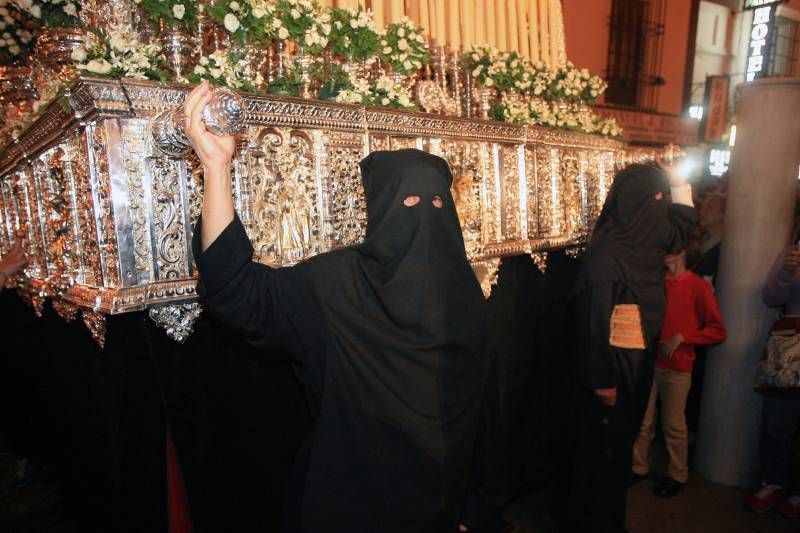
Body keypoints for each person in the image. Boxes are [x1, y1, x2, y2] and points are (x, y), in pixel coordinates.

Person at [183, 81, 502, 532]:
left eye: (435, 203)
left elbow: (482, 408)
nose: (423, 215)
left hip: (437, 508)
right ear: (380, 212)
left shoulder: (465, 295)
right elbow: (234, 289)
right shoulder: (337, 284)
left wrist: (474, 501)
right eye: (408, 203)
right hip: (345, 506)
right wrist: (216, 168)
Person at [552, 163, 697, 533]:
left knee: (615, 456)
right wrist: (603, 380)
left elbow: (679, 231)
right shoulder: (610, 253)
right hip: (608, 376)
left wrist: (681, 184)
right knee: (597, 456)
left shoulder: (644, 241)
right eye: (657, 198)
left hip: (633, 368)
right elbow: (593, 323)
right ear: (638, 203)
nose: (661, 207)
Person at [631, 245, 726, 498]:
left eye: (671, 247)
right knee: (643, 420)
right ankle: (638, 467)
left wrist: (684, 337)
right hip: (650, 363)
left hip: (678, 367)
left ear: (684, 251)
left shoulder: (696, 286)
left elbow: (718, 329)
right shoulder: (657, 282)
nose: (664, 251)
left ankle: (677, 474)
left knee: (673, 424)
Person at [744, 244, 800, 519]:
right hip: (790, 348)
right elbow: (771, 297)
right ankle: (773, 482)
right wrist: (787, 272)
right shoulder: (794, 251)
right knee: (777, 422)